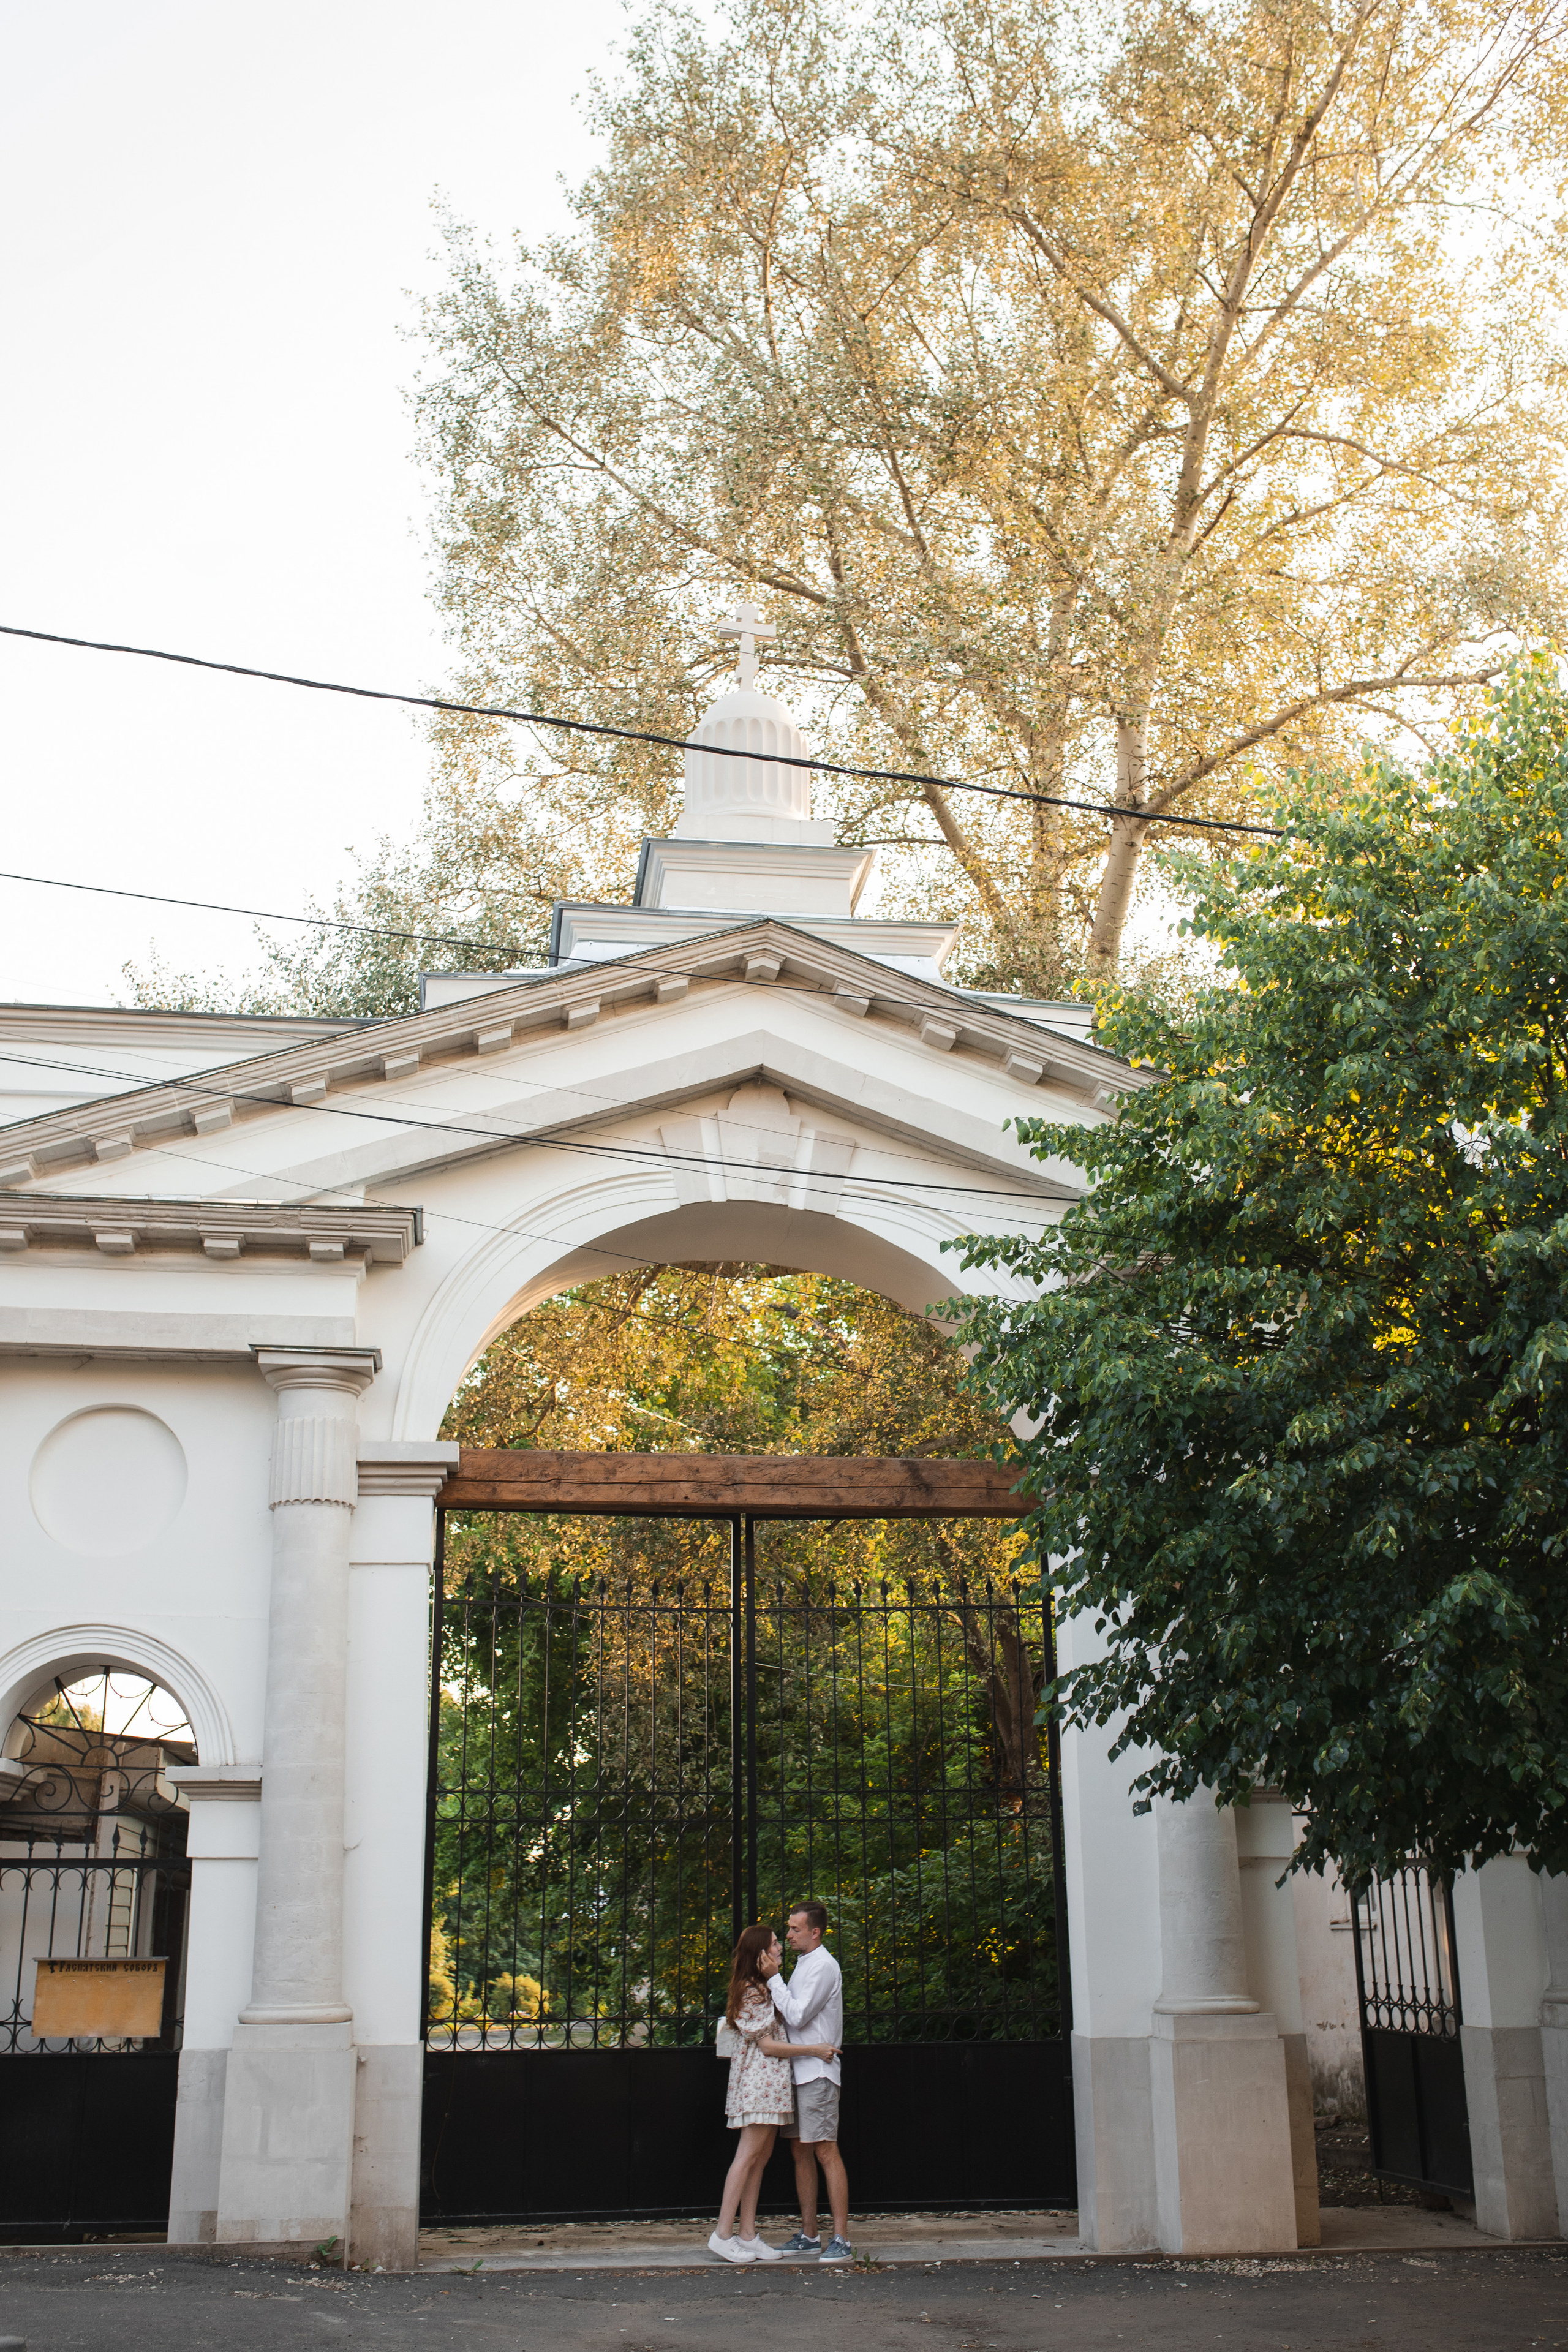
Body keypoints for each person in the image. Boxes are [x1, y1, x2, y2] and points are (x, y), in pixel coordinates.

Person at [709, 1924, 840, 2266]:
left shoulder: (764, 1986)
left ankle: (748, 2234)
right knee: (747, 2157)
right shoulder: (751, 1989)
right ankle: (723, 2234)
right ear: (761, 1954)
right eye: (774, 1943)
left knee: (759, 2159)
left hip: (771, 2087)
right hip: (758, 2085)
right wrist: (815, 2049)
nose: (781, 1946)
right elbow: (767, 2045)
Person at [761, 1898, 853, 2261]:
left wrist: (773, 1979)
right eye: (789, 1927)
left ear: (815, 1932)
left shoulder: (824, 1967)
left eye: (795, 1929)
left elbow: (797, 2016)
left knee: (826, 2150)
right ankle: (810, 2234)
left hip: (819, 2073)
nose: (788, 1934)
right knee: (800, 2150)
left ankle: (842, 2239)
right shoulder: (803, 1965)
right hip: (797, 2072)